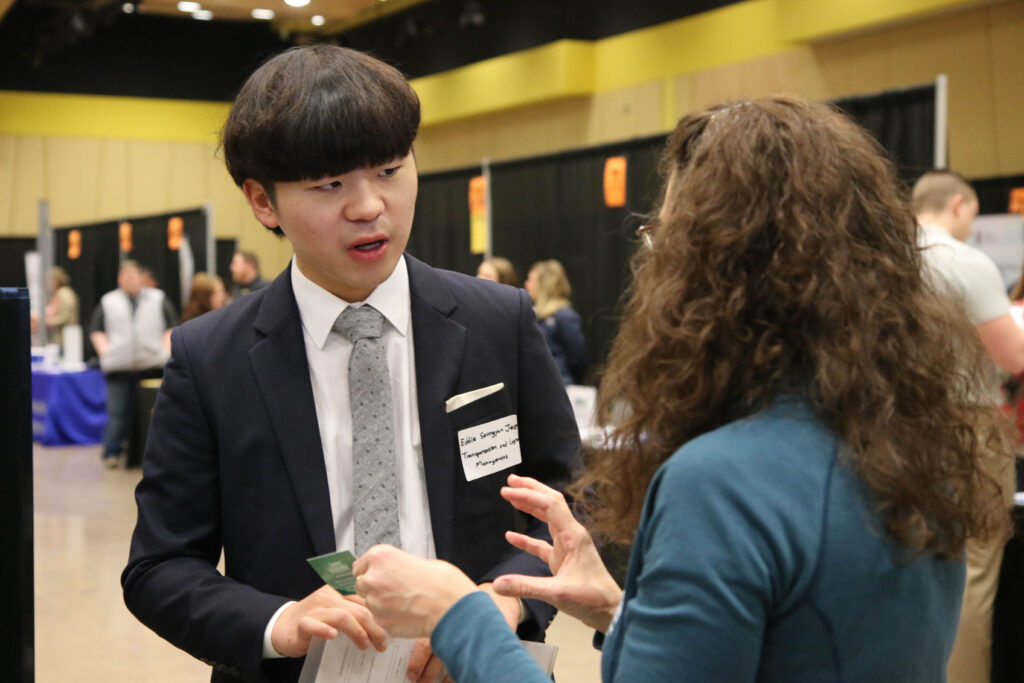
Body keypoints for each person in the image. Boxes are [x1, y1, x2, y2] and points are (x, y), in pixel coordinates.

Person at [351, 97, 1014, 682]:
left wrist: (459, 614)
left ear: (714, 268)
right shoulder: (913, 440)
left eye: (664, 237)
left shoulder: (720, 482)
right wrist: (620, 608)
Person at [121, 45, 579, 683]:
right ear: (262, 202)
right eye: (329, 184)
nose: (368, 207)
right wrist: (279, 624)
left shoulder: (497, 321)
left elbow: (570, 498)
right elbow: (160, 568)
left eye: (390, 170)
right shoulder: (209, 358)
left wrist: (502, 605)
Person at [914, 169, 1021, 682]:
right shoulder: (965, 260)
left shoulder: (876, 257)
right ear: (959, 205)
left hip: (886, 426)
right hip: (966, 426)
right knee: (972, 568)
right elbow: (1013, 354)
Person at [89, 260, 176, 468]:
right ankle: (112, 452)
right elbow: (97, 329)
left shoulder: (158, 298)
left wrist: (165, 351)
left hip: (153, 365)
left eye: (133, 275)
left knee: (156, 413)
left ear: (141, 277)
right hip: (119, 366)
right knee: (117, 413)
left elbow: (171, 326)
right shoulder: (108, 301)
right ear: (119, 279)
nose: (129, 280)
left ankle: (156, 452)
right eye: (125, 276)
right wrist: (106, 352)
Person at [524, 259, 586, 384]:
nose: (526, 284)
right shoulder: (532, 313)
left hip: (559, 383)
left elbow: (576, 357)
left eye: (531, 280)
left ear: (544, 284)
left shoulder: (564, 316)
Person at [44, 265, 79, 347]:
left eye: (49, 281)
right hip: (60, 338)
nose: (47, 284)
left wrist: (47, 321)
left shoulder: (64, 293)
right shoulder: (58, 294)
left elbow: (66, 317)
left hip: (65, 338)